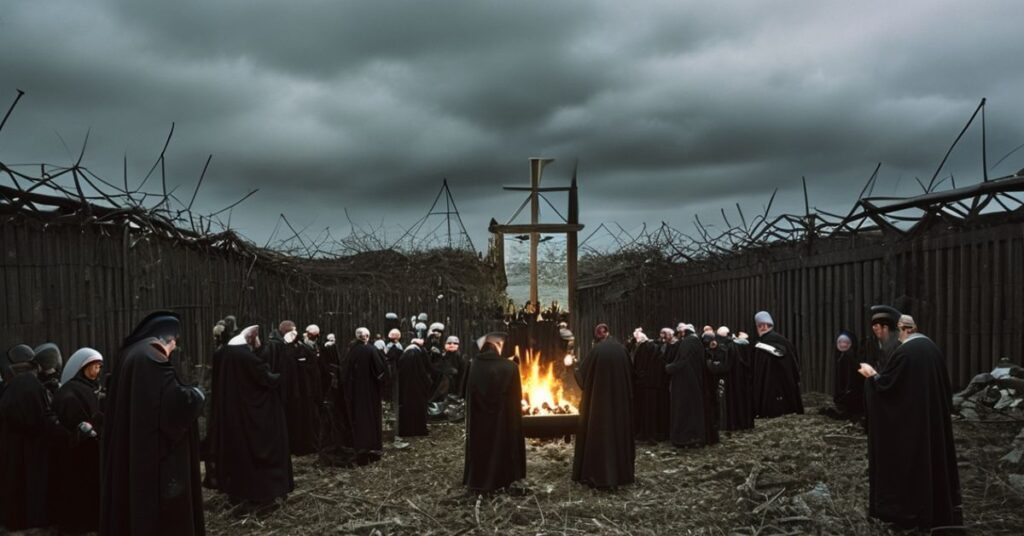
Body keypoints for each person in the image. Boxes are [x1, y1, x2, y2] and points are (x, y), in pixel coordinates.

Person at [101, 311, 206, 536]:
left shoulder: (132, 353)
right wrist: (197, 394)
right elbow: (173, 403)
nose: (175, 347)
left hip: (136, 446)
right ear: (169, 338)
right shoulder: (152, 357)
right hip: (154, 457)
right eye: (175, 342)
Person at [858, 310, 963, 532]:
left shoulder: (907, 353)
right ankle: (938, 509)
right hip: (930, 422)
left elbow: (888, 390)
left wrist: (871, 377)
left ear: (902, 330)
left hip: (913, 427)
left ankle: (908, 511)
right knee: (933, 461)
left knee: (914, 465)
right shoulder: (930, 348)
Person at [208, 325, 293, 507]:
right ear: (250, 339)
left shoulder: (228, 355)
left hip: (237, 413)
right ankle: (265, 493)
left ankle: (240, 493)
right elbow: (267, 378)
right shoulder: (246, 357)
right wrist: (283, 374)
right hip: (254, 416)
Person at [0, 343, 74, 530]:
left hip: (14, 454)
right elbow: (44, 417)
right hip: (36, 453)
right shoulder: (32, 387)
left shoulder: (10, 392)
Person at [572, 324, 634, 489]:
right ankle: (621, 475)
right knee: (618, 436)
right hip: (620, 406)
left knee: (601, 437)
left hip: (599, 407)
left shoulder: (597, 351)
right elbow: (631, 377)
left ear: (599, 335)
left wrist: (573, 366)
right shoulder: (622, 350)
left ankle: (599, 475)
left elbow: (583, 379)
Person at [463, 332, 526, 493]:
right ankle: (501, 480)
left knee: (481, 447)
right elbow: (517, 396)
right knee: (500, 446)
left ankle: (478, 480)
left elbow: (464, 392)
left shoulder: (473, 364)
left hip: (478, 420)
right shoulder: (511, 367)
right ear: (498, 346)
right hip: (502, 420)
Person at [52, 347, 104, 533]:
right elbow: (71, 416)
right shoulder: (71, 390)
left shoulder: (89, 388)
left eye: (99, 367)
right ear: (83, 367)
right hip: (75, 450)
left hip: (89, 448)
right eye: (94, 367)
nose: (97, 371)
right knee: (77, 488)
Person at [345, 327, 387, 465]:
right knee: (370, 418)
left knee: (359, 417)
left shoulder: (351, 350)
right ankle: (370, 446)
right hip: (369, 391)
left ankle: (359, 445)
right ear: (367, 336)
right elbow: (380, 370)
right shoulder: (370, 350)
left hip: (355, 391)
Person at [751, 311, 804, 418]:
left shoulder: (772, 342)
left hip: (778, 380)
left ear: (770, 325)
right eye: (760, 325)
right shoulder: (782, 341)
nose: (763, 327)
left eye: (766, 325)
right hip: (778, 380)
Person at [666, 323, 707, 447]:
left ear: (683, 332)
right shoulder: (697, 341)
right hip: (695, 381)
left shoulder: (687, 342)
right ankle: (696, 438)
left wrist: (669, 368)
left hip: (684, 383)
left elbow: (682, 361)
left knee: (684, 410)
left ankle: (684, 438)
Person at [631, 328, 668, 443]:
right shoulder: (655, 348)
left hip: (645, 384)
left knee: (645, 411)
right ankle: (652, 434)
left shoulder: (643, 349)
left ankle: (645, 434)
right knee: (652, 410)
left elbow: (640, 367)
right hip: (654, 384)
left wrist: (638, 378)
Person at [825, 330, 865, 422]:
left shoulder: (854, 357)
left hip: (853, 397)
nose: (843, 345)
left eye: (845, 342)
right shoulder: (840, 357)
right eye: (840, 342)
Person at [397, 338, 432, 437]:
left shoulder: (406, 353)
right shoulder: (417, 352)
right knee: (418, 406)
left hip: (406, 387)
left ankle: (407, 430)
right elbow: (425, 369)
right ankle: (418, 429)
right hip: (417, 386)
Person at [723, 329, 755, 431]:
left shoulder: (733, 346)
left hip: (735, 378)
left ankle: (737, 423)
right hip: (745, 379)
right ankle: (746, 423)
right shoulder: (748, 347)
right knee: (745, 401)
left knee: (736, 400)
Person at [870, 305, 901, 370]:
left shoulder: (897, 345)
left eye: (877, 326)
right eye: (874, 326)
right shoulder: (876, 343)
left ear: (886, 328)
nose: (875, 329)